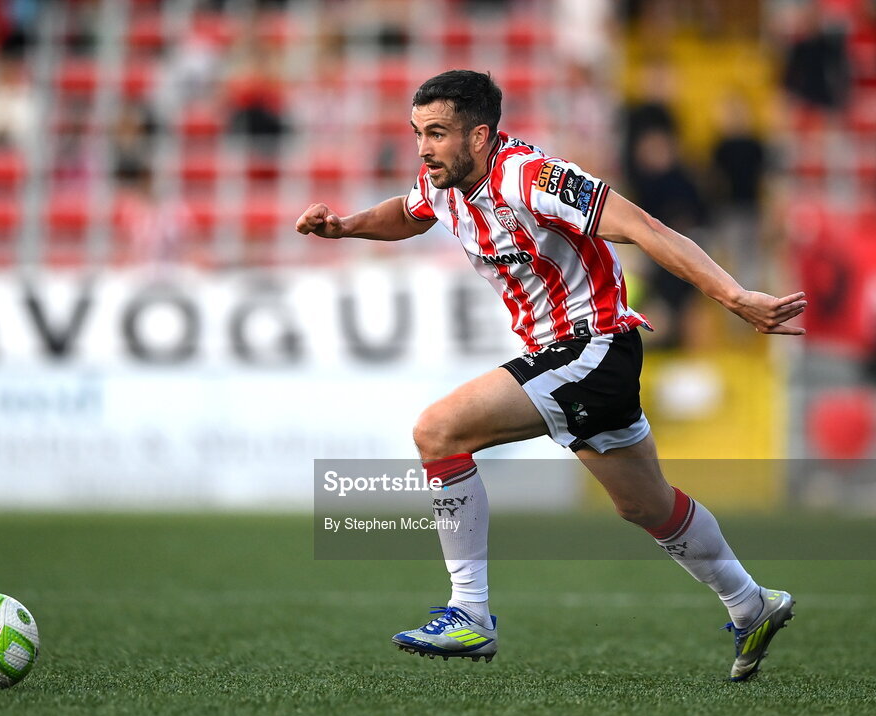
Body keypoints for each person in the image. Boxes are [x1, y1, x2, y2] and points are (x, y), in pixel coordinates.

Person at [295, 70, 806, 681]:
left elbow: (645, 228)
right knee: (647, 507)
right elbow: (409, 214)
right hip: (573, 356)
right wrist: (346, 226)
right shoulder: (444, 182)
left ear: (479, 135)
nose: (424, 148)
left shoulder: (531, 177)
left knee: (439, 432)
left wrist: (734, 295)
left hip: (592, 346)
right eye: (417, 134)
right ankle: (751, 603)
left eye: (437, 134)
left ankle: (470, 615)